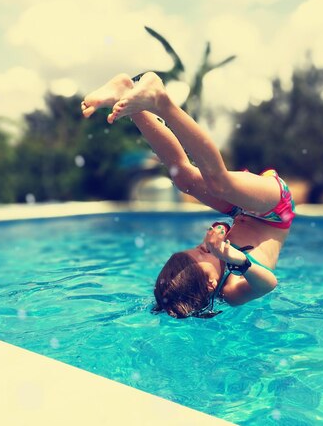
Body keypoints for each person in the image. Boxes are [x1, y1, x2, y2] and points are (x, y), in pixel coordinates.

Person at [81, 72, 295, 318]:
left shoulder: (212, 268)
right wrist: (232, 257)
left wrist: (215, 252)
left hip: (241, 210)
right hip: (275, 211)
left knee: (183, 178)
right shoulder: (231, 291)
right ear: (210, 285)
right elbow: (268, 284)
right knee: (219, 183)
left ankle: (130, 99)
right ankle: (161, 102)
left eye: (197, 247)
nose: (204, 246)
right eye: (204, 252)